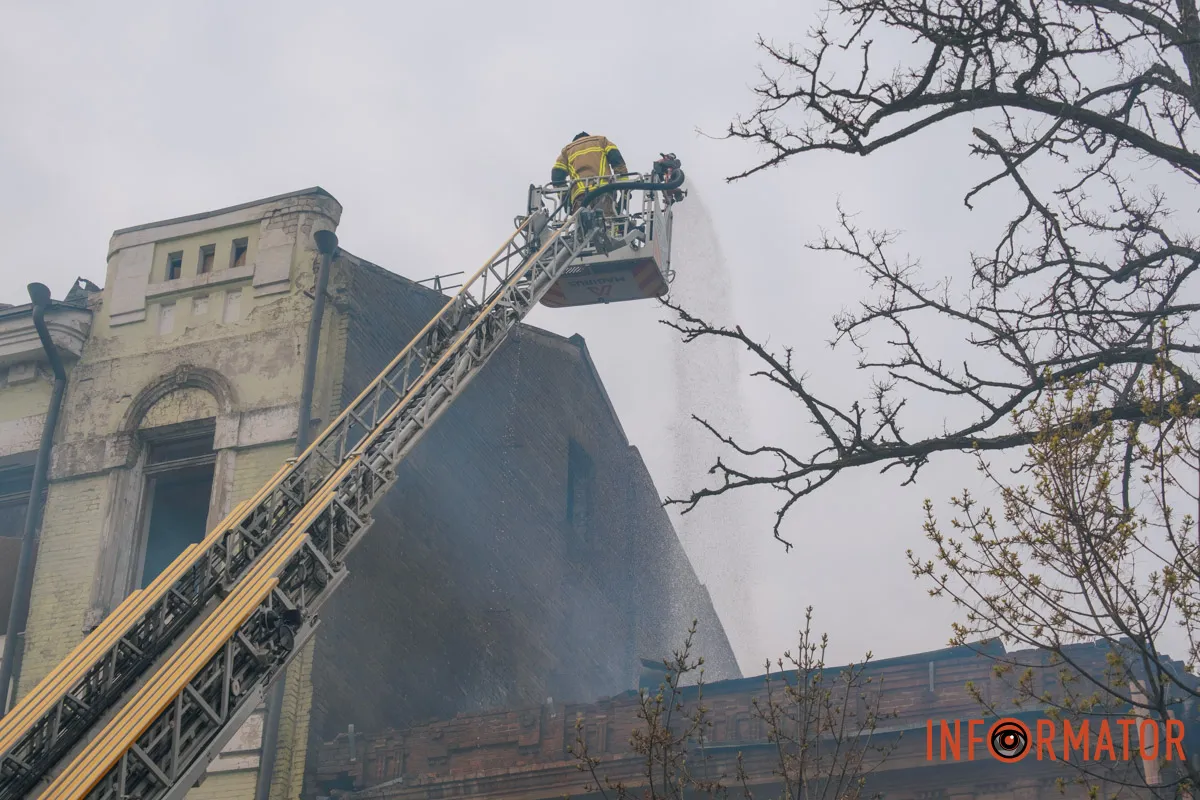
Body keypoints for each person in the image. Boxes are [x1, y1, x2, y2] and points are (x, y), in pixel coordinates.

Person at [551, 132, 628, 215]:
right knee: (606, 220)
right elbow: (618, 163)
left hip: (580, 198)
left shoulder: (567, 151)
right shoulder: (602, 141)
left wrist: (566, 201)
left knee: (581, 222)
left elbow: (557, 177)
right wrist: (625, 192)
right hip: (603, 191)